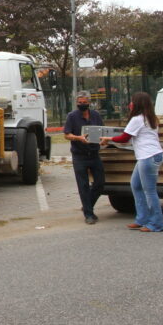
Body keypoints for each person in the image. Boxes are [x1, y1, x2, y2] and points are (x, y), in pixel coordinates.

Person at [100, 92, 163, 232]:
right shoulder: (151, 118)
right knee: (135, 185)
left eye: (132, 102)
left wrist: (108, 139)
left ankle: (156, 223)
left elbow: (124, 138)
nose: (130, 104)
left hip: (148, 157)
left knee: (150, 191)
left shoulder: (137, 119)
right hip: (151, 156)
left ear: (137, 104)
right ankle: (142, 218)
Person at [64, 91, 105, 225]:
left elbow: (102, 130)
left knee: (100, 183)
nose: (82, 104)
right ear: (77, 103)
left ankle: (88, 205)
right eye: (79, 103)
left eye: (84, 102)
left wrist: (104, 139)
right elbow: (67, 134)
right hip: (79, 155)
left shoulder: (95, 115)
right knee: (83, 185)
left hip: (94, 153)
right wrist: (78, 138)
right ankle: (89, 214)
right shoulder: (72, 116)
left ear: (89, 102)